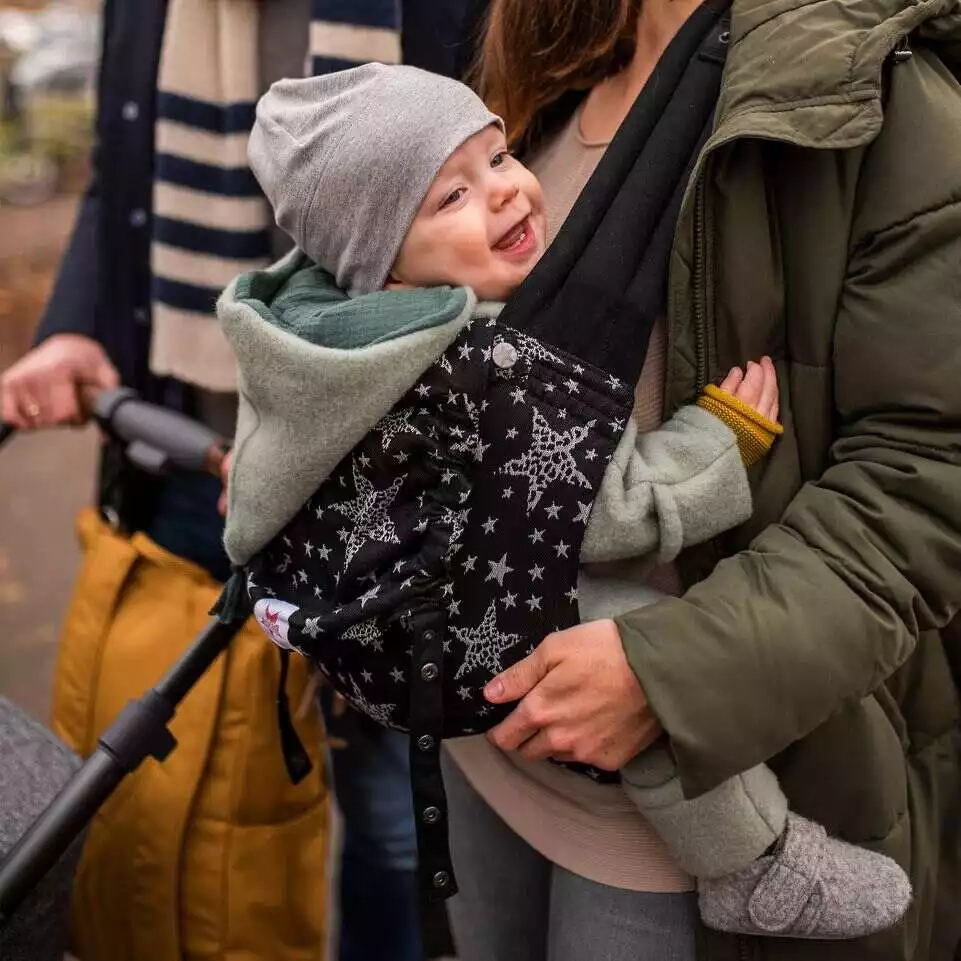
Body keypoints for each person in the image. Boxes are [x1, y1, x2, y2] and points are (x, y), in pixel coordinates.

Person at [219, 61, 909, 942]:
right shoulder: (480, 366)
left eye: (499, 156)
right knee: (644, 655)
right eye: (451, 198)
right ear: (379, 256)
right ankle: (752, 860)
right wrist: (720, 438)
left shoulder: (304, 330)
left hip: (374, 629)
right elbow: (599, 510)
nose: (507, 194)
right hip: (462, 640)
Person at [428, 0, 960, 959]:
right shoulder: (542, 74)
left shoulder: (878, 89)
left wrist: (667, 674)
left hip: (692, 809)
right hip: (487, 745)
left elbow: (924, 474)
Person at [0, 3, 470, 960]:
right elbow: (116, 172)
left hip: (382, 468)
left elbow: (502, 194)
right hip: (183, 442)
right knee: (189, 789)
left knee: (387, 810)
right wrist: (75, 324)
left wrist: (349, 453)